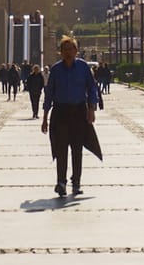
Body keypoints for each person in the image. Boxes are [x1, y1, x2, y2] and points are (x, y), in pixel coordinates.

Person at [42, 36, 101, 197]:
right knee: (60, 149)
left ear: (76, 51)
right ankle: (61, 182)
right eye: (65, 49)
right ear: (60, 52)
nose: (68, 52)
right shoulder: (56, 70)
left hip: (78, 112)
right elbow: (49, 94)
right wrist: (45, 117)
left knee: (77, 149)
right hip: (60, 112)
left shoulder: (83, 67)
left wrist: (91, 108)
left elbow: (92, 88)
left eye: (71, 49)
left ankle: (76, 182)